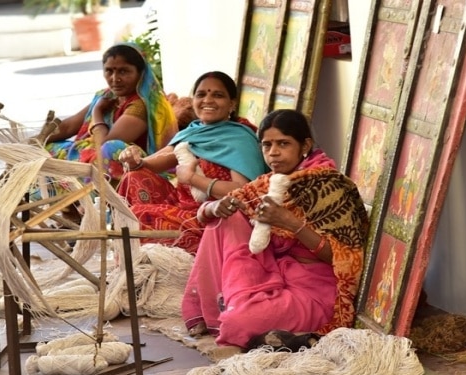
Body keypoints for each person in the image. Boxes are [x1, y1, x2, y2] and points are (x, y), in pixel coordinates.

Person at [181, 109, 369, 357]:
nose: (274, 153)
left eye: (283, 144)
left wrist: (291, 223)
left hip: (311, 290)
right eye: (267, 145)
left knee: (238, 323)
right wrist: (214, 207)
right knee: (227, 218)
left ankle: (236, 312)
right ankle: (233, 307)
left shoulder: (330, 186)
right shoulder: (267, 183)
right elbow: (207, 214)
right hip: (271, 273)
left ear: (305, 146)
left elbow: (344, 259)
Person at [116, 71, 267, 254]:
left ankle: (183, 255)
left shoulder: (239, 139)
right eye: (201, 94)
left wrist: (192, 179)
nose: (208, 100)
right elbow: (151, 163)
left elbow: (243, 193)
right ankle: (145, 254)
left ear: (232, 104)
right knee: (134, 177)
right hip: (183, 206)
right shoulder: (194, 132)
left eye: (218, 95)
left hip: (215, 216)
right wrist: (133, 159)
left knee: (138, 217)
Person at [39, 42, 177, 222]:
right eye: (109, 71)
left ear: (140, 73)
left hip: (140, 168)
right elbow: (68, 126)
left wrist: (97, 113)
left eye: (124, 71)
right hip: (101, 162)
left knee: (112, 148)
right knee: (46, 150)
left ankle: (92, 210)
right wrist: (36, 140)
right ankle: (69, 211)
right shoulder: (106, 96)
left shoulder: (143, 105)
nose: (115, 78)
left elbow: (103, 145)